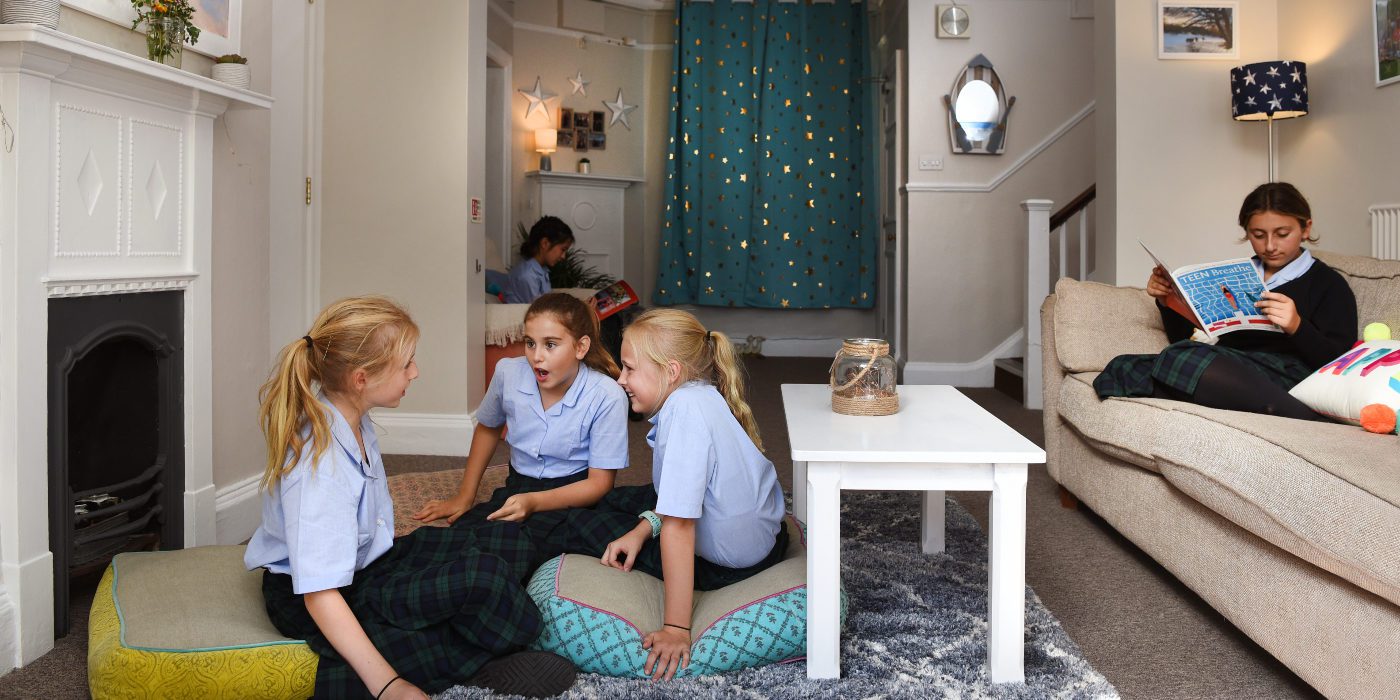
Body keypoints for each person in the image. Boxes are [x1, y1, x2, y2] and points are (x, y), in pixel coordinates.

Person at [244, 296, 574, 698]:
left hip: (369, 562)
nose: (415, 372)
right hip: (325, 597)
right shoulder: (320, 470)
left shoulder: (352, 418)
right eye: (406, 364)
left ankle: (487, 631)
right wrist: (388, 686)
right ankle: (485, 660)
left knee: (503, 536)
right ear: (361, 379)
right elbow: (320, 595)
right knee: (480, 578)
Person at [550, 309, 788, 681]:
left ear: (671, 371)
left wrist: (676, 629)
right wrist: (642, 529)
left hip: (728, 567)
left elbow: (679, 525)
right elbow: (689, 495)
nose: (621, 378)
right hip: (767, 539)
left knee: (574, 522)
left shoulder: (683, 412)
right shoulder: (701, 394)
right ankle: (638, 523)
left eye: (630, 368)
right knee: (620, 501)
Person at [1094, 182, 1357, 419]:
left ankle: (1295, 412)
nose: (1269, 246)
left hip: (1285, 373)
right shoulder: (1234, 276)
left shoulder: (1328, 283)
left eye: (1282, 234)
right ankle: (1252, 403)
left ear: (1305, 228)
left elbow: (1339, 360)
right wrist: (1168, 302)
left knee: (1182, 359)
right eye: (1258, 235)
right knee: (1124, 365)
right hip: (1228, 364)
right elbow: (1181, 339)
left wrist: (1297, 326)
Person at [413, 293, 629, 545]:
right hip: (519, 487)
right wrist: (465, 496)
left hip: (575, 496)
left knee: (517, 547)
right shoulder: (508, 373)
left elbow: (599, 484)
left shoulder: (607, 395)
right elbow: (488, 428)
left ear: (580, 347)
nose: (536, 356)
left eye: (550, 345)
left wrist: (534, 502)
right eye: (530, 343)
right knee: (468, 539)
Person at [502, 215, 574, 303]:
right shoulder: (527, 275)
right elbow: (540, 309)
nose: (563, 256)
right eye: (563, 249)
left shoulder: (541, 269)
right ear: (545, 243)